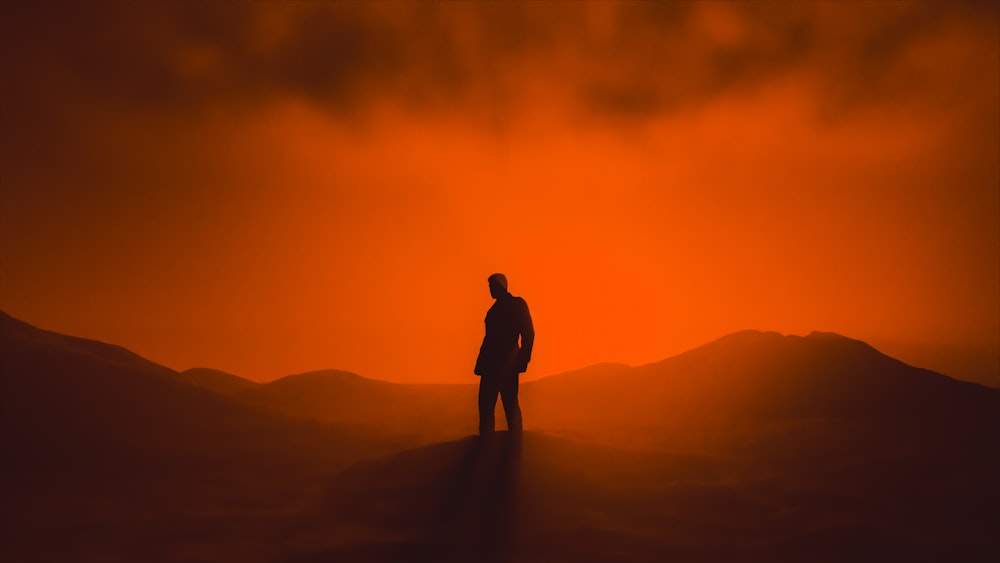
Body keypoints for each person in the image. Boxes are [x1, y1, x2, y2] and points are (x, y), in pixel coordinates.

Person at [474, 273, 534, 434]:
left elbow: (528, 333)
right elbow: (489, 340)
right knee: (487, 406)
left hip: (506, 365)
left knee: (509, 405)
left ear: (499, 286)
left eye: (491, 286)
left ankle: (514, 444)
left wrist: (523, 359)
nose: (489, 289)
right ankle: (487, 445)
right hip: (491, 366)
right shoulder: (493, 311)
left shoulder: (516, 305)